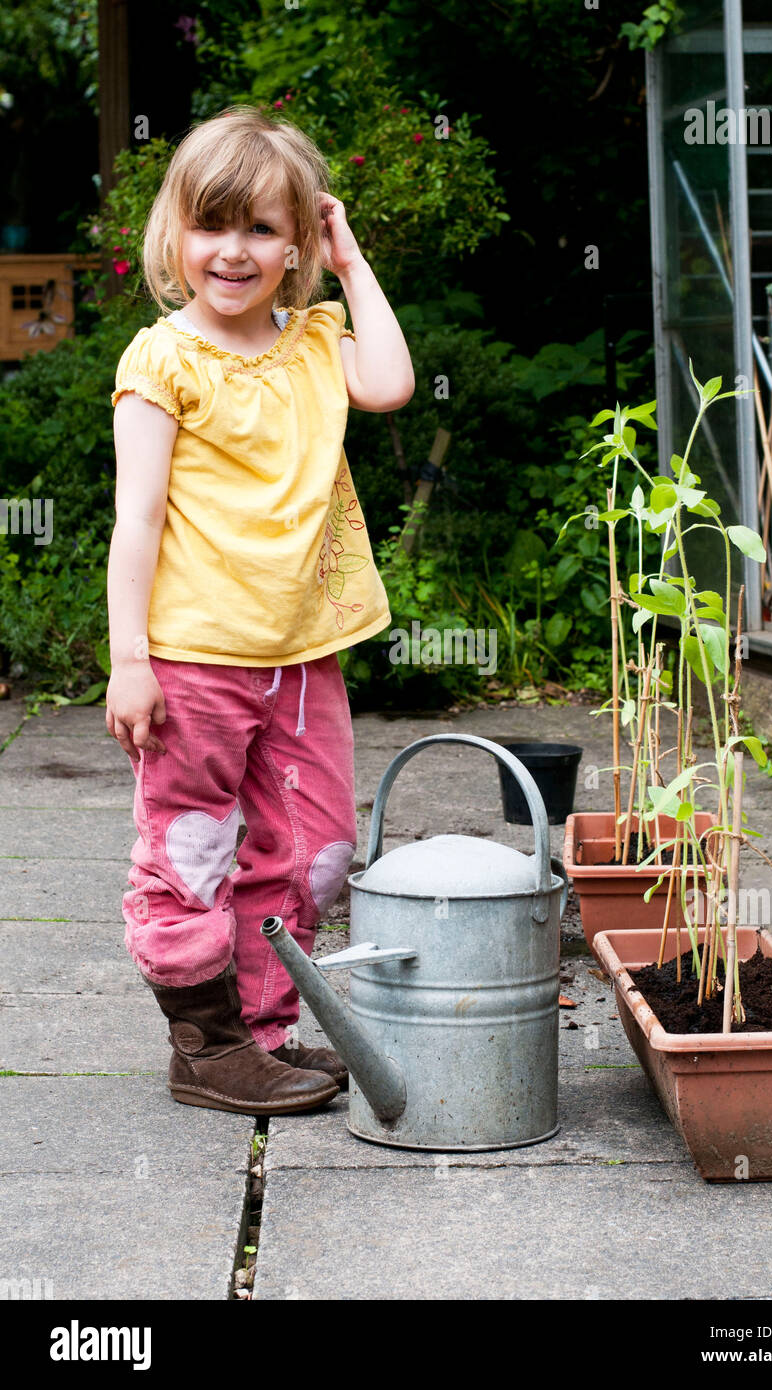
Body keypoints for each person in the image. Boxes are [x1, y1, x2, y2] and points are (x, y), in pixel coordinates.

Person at [105, 106, 414, 1116]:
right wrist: (129, 659)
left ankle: (267, 1030)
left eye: (263, 230)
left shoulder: (318, 341)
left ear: (297, 245)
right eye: (212, 226)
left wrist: (351, 257)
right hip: (193, 656)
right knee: (189, 850)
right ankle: (205, 1044)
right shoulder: (163, 362)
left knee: (313, 852)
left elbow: (392, 381)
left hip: (299, 655)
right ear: (176, 234)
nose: (232, 252)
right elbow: (138, 523)